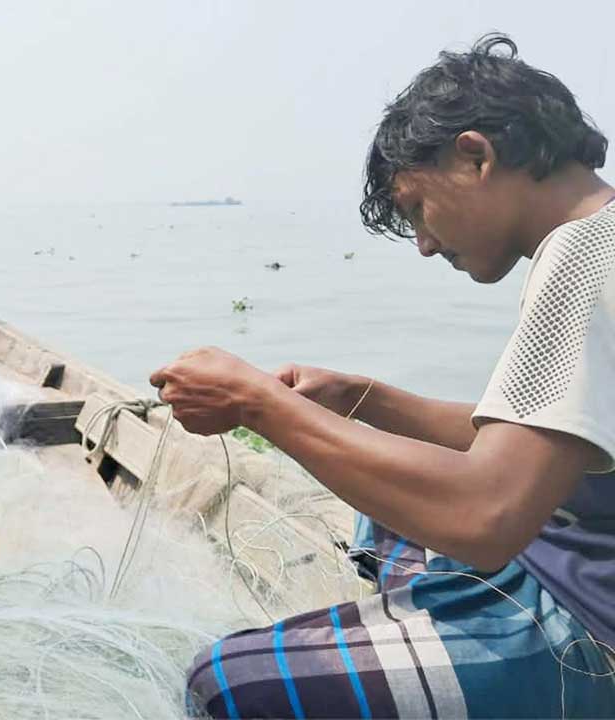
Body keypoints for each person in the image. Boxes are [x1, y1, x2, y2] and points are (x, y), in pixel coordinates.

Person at [152, 35, 615, 717]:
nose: (425, 244)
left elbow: (484, 515)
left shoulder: (585, 257)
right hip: (580, 554)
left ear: (476, 155)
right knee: (385, 519)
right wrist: (358, 398)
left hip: (592, 631)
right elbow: (549, 436)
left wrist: (257, 405)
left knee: (221, 682)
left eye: (418, 210)